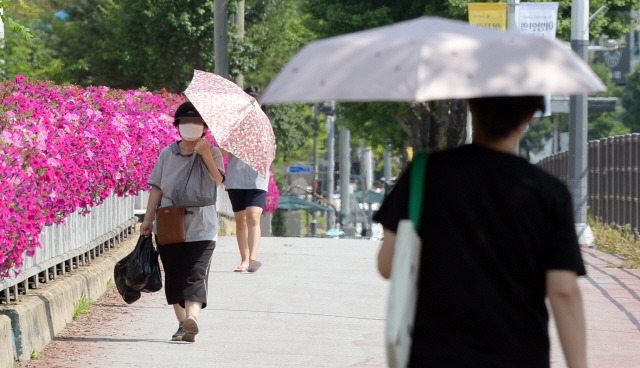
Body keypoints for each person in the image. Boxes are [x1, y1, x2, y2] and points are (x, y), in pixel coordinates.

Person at [375, 96, 587, 368]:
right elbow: (563, 291)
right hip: (518, 355)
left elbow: (387, 265)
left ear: (471, 106)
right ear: (531, 116)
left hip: (436, 354)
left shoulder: (426, 173)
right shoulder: (549, 193)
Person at [140, 101, 225, 342]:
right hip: (169, 223)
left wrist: (206, 153)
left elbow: (218, 181)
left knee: (195, 274)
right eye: (185, 122)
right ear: (177, 125)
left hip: (202, 226)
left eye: (196, 122)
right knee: (174, 275)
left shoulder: (213, 152)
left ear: (204, 126)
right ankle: (182, 323)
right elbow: (156, 189)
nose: (190, 126)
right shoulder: (168, 153)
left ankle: (193, 319)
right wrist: (148, 220)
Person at [224, 86, 268, 273]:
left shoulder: (265, 126)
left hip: (257, 179)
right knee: (240, 220)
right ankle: (244, 259)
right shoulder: (233, 126)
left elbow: (267, 153)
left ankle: (253, 258)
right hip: (236, 178)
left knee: (253, 216)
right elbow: (223, 152)